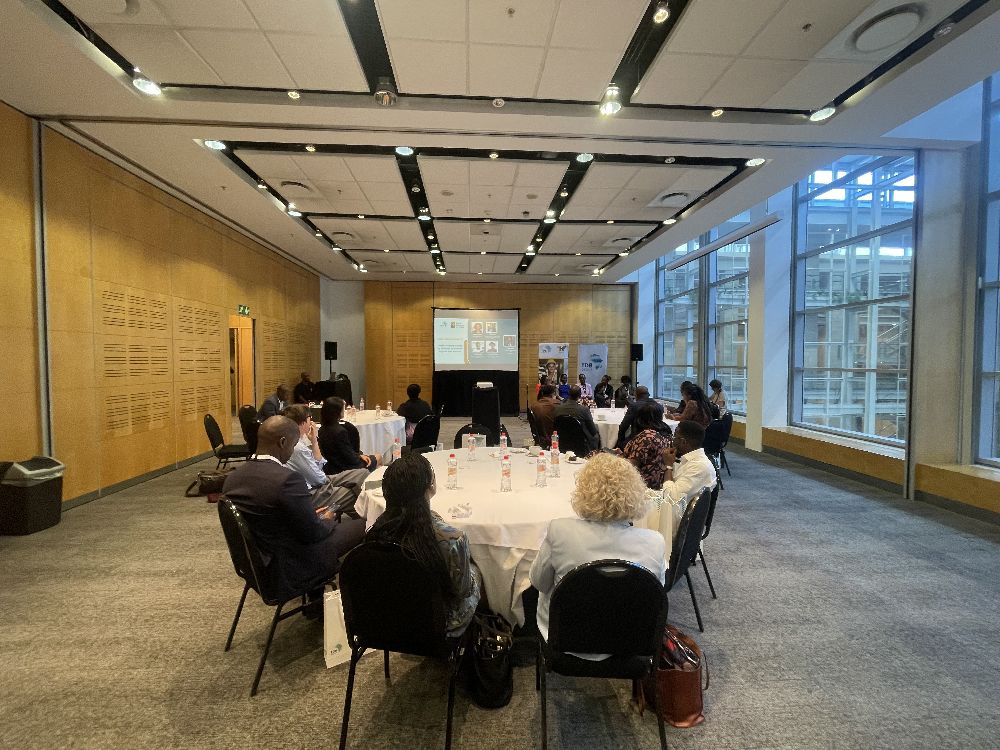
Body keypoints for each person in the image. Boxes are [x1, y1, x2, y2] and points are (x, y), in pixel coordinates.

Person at [529, 452, 665, 661]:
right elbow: (655, 601)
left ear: (583, 492)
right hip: (631, 644)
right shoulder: (655, 543)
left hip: (565, 639)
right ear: (637, 493)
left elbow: (539, 582)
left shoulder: (559, 531)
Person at [221, 416, 365, 595]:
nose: (293, 450)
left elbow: (272, 515)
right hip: (292, 564)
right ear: (282, 442)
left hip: (258, 566)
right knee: (365, 524)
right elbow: (314, 533)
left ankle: (317, 598)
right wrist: (327, 519)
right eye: (293, 444)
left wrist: (310, 516)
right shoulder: (286, 479)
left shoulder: (232, 479)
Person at [366, 452, 482, 636]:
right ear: (431, 486)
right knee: (477, 570)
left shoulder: (376, 534)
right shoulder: (452, 540)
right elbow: (464, 591)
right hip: (437, 626)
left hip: (386, 621)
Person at [281, 405, 368, 495]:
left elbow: (318, 468)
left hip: (315, 481)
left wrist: (314, 441)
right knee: (355, 490)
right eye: (309, 418)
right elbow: (319, 479)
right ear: (303, 422)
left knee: (362, 473)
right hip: (312, 491)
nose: (311, 421)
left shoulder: (296, 440)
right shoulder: (298, 447)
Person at [661, 420, 717, 508]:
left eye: (674, 437)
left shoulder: (699, 467)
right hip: (673, 509)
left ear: (683, 442)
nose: (672, 440)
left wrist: (668, 466)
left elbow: (670, 498)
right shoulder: (687, 459)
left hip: (676, 516)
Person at [318, 397, 379, 474]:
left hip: (331, 467)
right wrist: (359, 456)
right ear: (338, 412)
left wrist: (359, 455)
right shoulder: (340, 432)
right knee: (378, 457)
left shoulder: (321, 429)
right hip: (345, 468)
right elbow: (349, 456)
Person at [620, 401, 673, 489]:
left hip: (639, 483)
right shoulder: (665, 432)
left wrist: (615, 458)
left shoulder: (647, 436)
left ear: (640, 417)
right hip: (655, 480)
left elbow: (630, 466)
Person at [553, 385, 600, 452]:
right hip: (580, 442)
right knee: (596, 436)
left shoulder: (558, 408)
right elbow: (593, 431)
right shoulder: (584, 410)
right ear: (580, 395)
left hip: (562, 440)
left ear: (568, 394)